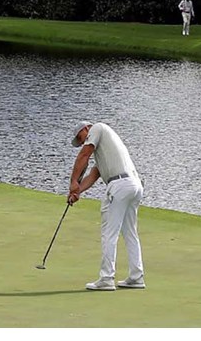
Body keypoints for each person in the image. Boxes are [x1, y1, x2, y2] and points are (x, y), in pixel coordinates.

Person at [67, 120, 145, 291]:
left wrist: (73, 181)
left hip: (120, 186)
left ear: (86, 128)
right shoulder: (105, 152)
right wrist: (77, 191)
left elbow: (83, 155)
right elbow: (93, 175)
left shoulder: (97, 128)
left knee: (109, 233)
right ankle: (136, 276)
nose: (82, 143)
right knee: (130, 232)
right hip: (134, 186)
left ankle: (106, 278)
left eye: (80, 138)